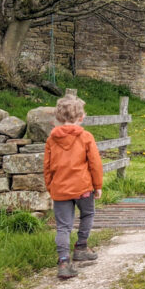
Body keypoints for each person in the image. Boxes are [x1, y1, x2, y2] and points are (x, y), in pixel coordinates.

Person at [44, 95, 103, 279]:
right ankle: (81, 247)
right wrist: (97, 185)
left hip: (60, 189)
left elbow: (47, 167)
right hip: (83, 188)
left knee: (63, 227)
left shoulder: (51, 140)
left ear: (58, 117)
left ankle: (63, 261)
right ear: (81, 117)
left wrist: (50, 188)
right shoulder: (85, 137)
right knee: (88, 214)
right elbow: (95, 163)